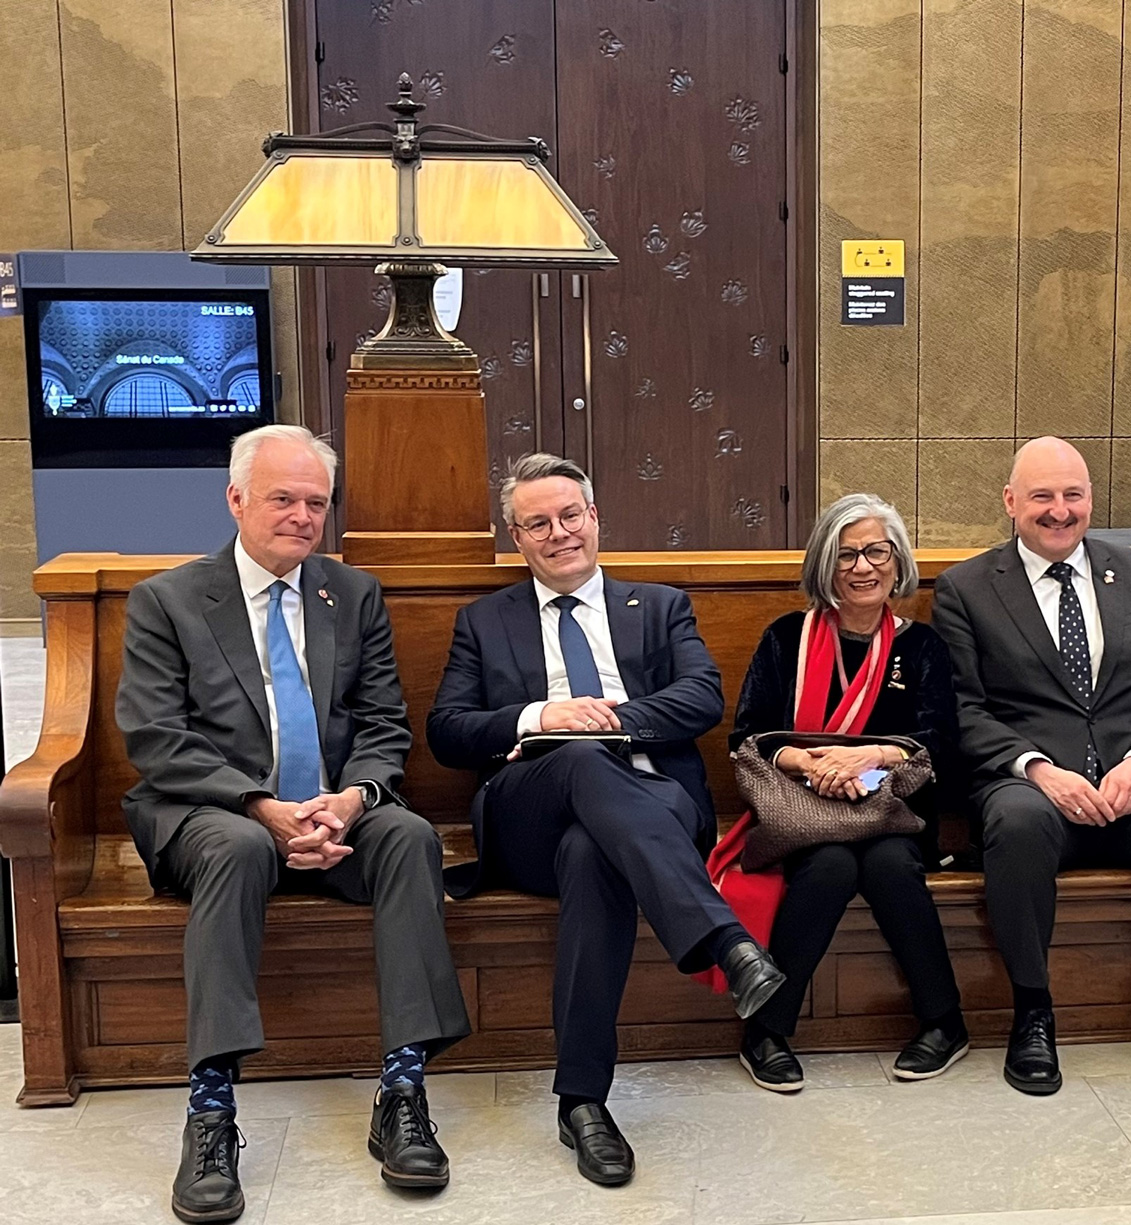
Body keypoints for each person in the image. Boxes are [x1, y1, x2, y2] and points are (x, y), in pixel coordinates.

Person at [117, 425, 469, 1223]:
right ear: (236, 498)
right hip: (215, 813)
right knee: (240, 848)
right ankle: (211, 1111)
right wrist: (261, 806)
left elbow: (383, 725)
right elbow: (155, 737)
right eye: (284, 498)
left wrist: (353, 798)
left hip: (329, 809)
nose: (303, 516)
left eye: (317, 502)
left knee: (409, 835)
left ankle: (403, 1090)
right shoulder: (169, 599)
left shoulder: (353, 594)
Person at [427, 452, 785, 1186]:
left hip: (649, 807)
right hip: (528, 807)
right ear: (516, 536)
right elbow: (448, 729)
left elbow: (701, 699)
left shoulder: (657, 606)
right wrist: (543, 716)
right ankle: (722, 938)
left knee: (596, 852)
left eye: (570, 515)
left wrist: (612, 721)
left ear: (595, 518)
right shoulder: (483, 620)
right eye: (538, 523)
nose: (559, 532)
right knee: (580, 759)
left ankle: (582, 1102)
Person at [931, 437, 1131, 1096]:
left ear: (1091, 500)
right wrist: (1039, 768)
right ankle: (1032, 1012)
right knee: (1014, 825)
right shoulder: (966, 588)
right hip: (1035, 788)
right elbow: (963, 710)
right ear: (1011, 502)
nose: (1059, 510)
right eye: (1042, 496)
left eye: (1072, 494)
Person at [725, 494, 968, 1091]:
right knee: (830, 866)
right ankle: (766, 1030)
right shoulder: (788, 637)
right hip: (805, 812)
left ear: (897, 560)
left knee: (888, 866)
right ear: (824, 566)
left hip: (893, 811)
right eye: (846, 555)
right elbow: (747, 734)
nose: (863, 567)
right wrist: (810, 764)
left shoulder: (922, 646)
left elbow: (942, 739)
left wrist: (874, 755)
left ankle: (945, 1023)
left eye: (875, 552)